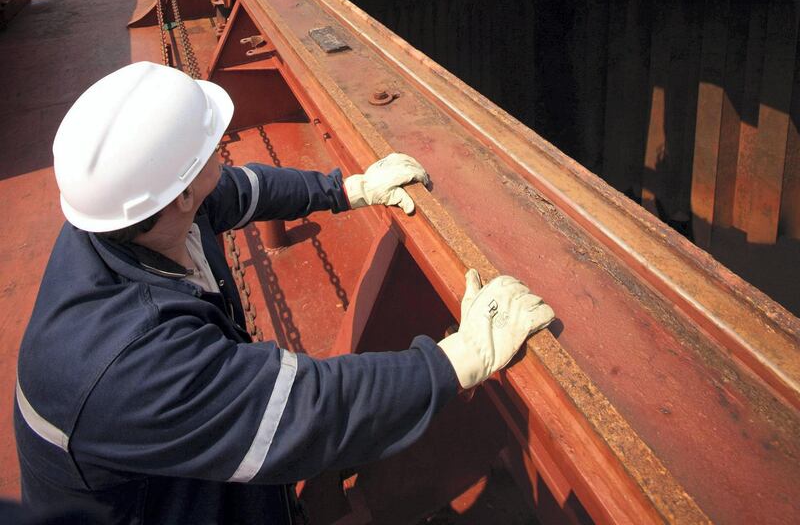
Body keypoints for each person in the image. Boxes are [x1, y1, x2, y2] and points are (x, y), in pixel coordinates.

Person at [15, 62, 554, 523]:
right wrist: (457, 359)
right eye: (210, 145)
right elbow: (306, 411)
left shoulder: (128, 219)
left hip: (165, 468)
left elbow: (239, 189)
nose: (222, 145)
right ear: (179, 195)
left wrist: (347, 189)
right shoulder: (128, 364)